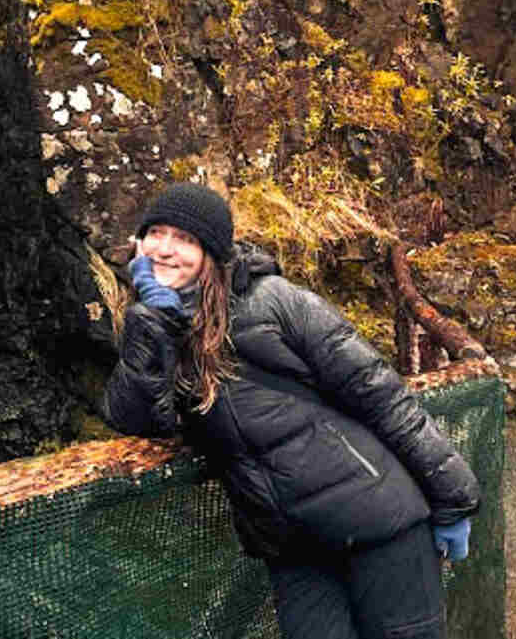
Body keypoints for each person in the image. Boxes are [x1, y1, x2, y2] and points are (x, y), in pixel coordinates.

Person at [101, 182, 480, 639]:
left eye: (185, 239)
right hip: (294, 548)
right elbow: (137, 420)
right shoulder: (150, 323)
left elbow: (381, 395)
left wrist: (454, 499)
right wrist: (151, 326)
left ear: (211, 254)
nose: (165, 249)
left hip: (380, 522)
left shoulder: (275, 302)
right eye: (156, 233)